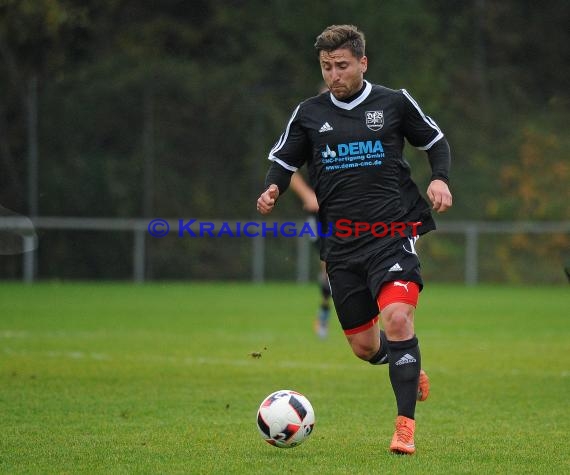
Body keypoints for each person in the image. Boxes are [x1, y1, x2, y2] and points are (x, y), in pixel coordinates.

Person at [256, 24, 452, 455]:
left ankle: (404, 429)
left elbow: (435, 140)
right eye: (326, 67)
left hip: (391, 234)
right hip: (342, 246)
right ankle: (406, 362)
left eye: (342, 66)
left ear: (363, 63)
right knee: (365, 346)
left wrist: (439, 178)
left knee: (398, 318)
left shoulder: (394, 102)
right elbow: (283, 160)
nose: (334, 75)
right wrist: (273, 188)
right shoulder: (308, 113)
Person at [289, 172, 331, 338]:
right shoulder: (309, 146)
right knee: (329, 265)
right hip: (319, 215)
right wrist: (307, 194)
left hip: (350, 206)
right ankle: (324, 312)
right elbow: (285, 164)